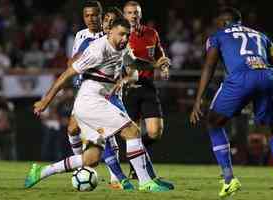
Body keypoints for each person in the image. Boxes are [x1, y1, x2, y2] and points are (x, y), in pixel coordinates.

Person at [24, 18, 169, 192]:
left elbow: (134, 62)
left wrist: (155, 64)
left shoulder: (122, 47)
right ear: (110, 33)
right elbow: (67, 74)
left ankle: (41, 171)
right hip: (91, 100)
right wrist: (46, 101)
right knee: (132, 131)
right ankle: (146, 182)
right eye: (121, 34)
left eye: (127, 35)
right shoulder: (97, 50)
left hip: (96, 101)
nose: (125, 38)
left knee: (91, 158)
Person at [190, 7, 273, 200]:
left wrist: (198, 99)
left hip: (241, 78)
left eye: (218, 21)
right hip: (268, 76)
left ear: (225, 22)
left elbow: (209, 66)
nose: (216, 24)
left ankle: (228, 179)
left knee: (213, 122)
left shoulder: (218, 35)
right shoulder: (261, 35)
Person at [66, 2, 127, 189]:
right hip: (84, 88)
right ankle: (83, 165)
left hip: (105, 90)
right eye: (87, 15)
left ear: (101, 16)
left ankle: (115, 177)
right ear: (83, 17)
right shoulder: (80, 35)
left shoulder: (109, 34)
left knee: (107, 133)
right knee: (72, 129)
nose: (91, 19)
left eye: (95, 15)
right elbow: (74, 60)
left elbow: (122, 62)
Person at [122, 1, 173, 189]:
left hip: (147, 86)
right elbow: (130, 62)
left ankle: (137, 162)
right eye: (129, 13)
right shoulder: (120, 35)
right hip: (127, 88)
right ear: (124, 15)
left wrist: (164, 66)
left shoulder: (152, 33)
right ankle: (138, 172)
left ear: (140, 15)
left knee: (155, 132)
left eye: (136, 12)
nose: (133, 16)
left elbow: (160, 55)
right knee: (130, 135)